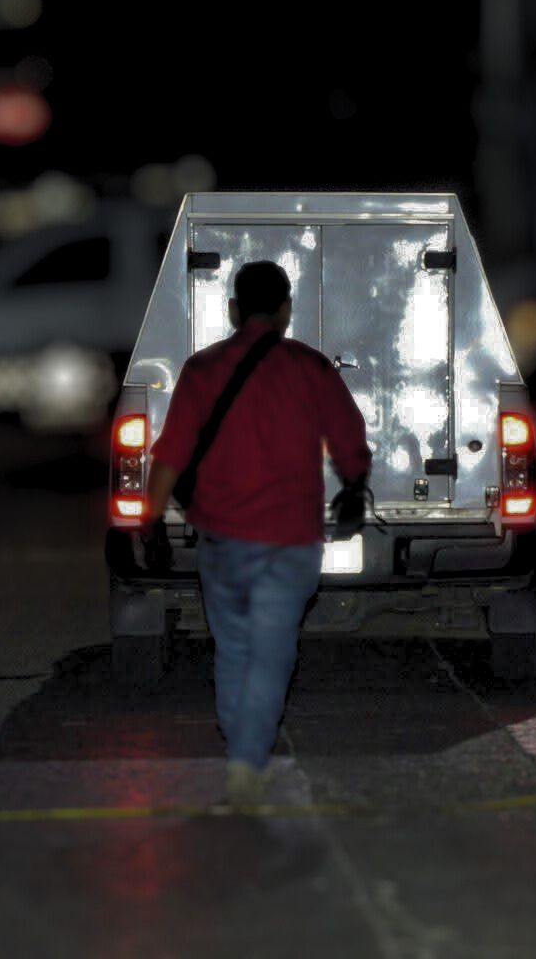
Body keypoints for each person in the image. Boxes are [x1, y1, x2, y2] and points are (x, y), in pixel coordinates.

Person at [144, 261, 371, 804]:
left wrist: (147, 520)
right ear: (286, 310)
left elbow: (171, 455)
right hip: (291, 541)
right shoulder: (311, 369)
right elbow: (349, 440)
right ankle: (247, 758)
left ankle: (241, 748)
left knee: (233, 647)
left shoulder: (202, 371)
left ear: (232, 310)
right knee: (273, 650)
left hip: (223, 541)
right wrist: (353, 488)